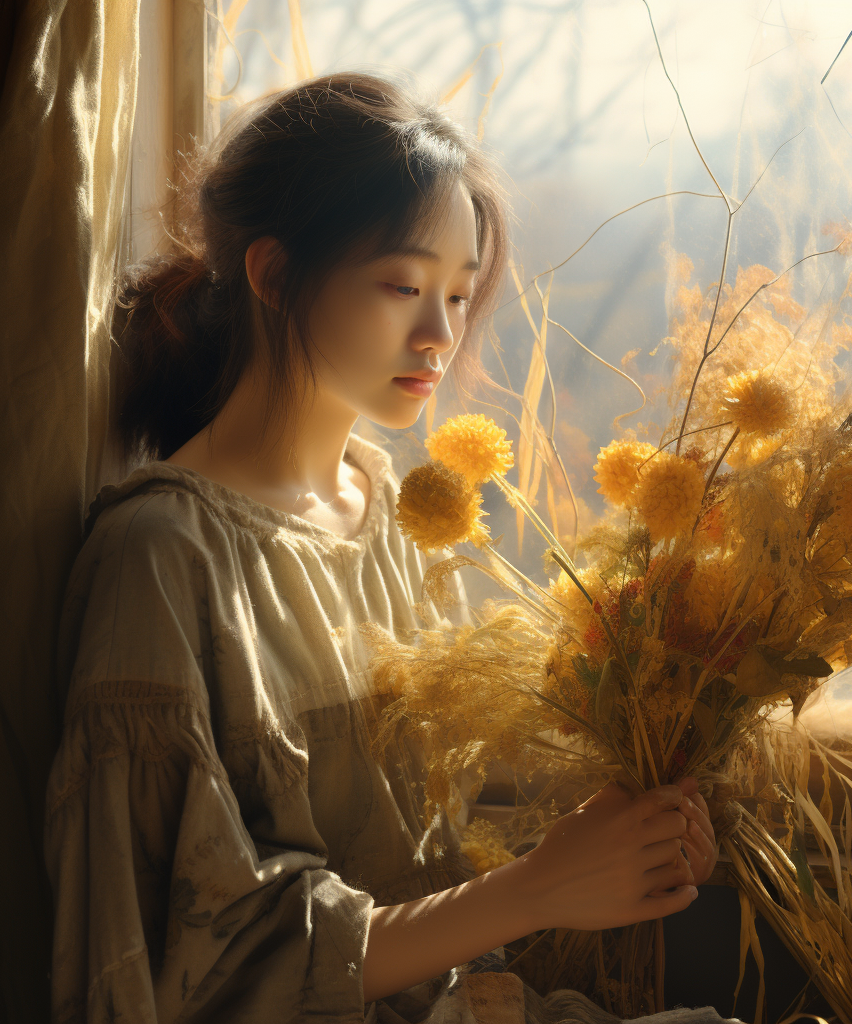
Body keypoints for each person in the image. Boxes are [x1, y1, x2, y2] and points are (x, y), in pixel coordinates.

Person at [43, 71, 737, 1024]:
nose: (440, 334)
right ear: (274, 274)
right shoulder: (161, 557)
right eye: (405, 286)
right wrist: (535, 891)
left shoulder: (399, 518)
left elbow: (433, 864)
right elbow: (176, 973)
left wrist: (626, 851)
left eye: (459, 293)